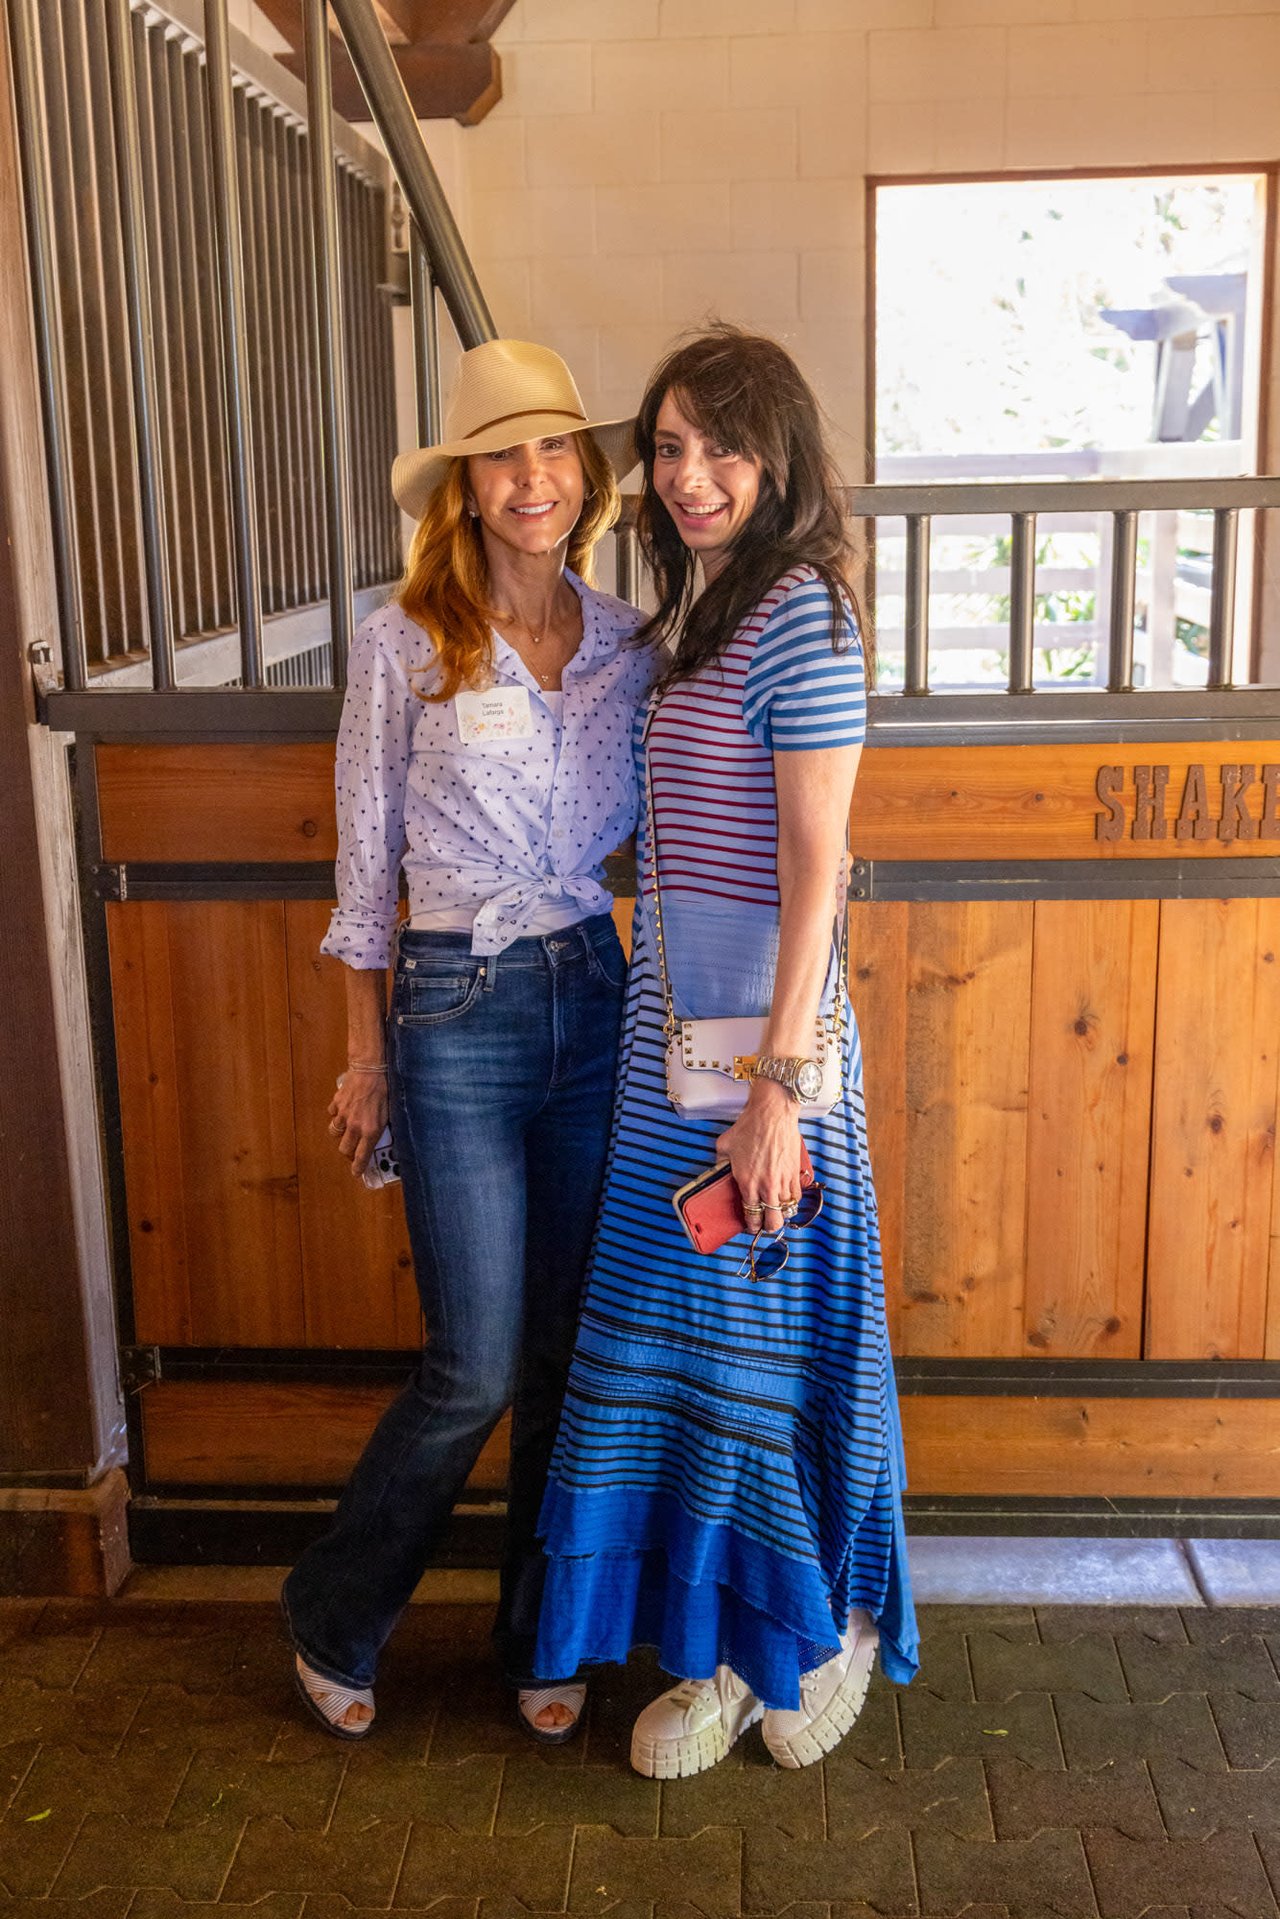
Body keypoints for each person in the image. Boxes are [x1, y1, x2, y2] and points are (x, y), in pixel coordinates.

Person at [533, 324, 919, 1777]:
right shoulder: (695, 615)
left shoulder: (805, 615)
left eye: (722, 446)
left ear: (781, 457)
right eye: (672, 446)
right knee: (675, 1350)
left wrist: (782, 1098)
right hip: (660, 1053)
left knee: (766, 1350)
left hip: (768, 1051)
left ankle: (820, 1639)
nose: (690, 475)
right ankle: (715, 1652)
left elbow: (819, 875)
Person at [281, 339, 652, 1743]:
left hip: (594, 996)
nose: (533, 476)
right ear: (463, 486)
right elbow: (362, 868)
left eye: (553, 450)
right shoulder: (400, 643)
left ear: (585, 475)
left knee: (565, 1350)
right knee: (476, 1364)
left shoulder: (627, 645)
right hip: (452, 1008)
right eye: (504, 455)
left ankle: (538, 1635)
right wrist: (364, 1056)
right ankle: (333, 1608)